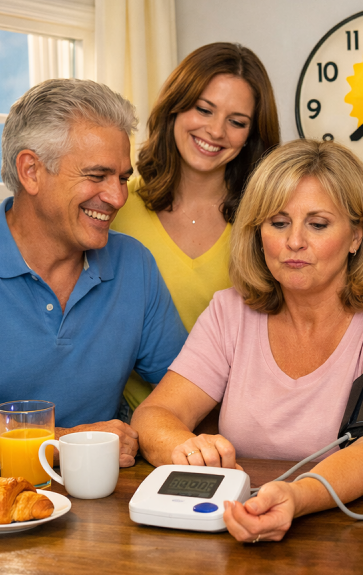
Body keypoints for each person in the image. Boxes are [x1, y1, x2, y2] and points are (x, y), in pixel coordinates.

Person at [131, 139, 363, 543]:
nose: (294, 241)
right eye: (278, 223)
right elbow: (154, 416)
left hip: (351, 537)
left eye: (318, 224)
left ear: (356, 237)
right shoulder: (230, 310)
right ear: (258, 234)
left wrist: (297, 496)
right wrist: (188, 450)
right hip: (232, 524)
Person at [0, 78, 187, 468]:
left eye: (122, 178)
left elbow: (188, 390)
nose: (117, 198)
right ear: (31, 171)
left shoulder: (134, 264)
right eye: (97, 176)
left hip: (104, 506)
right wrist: (65, 441)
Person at [111, 42, 280, 415]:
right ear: (174, 107)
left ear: (252, 135)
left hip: (239, 422)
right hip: (131, 422)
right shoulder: (116, 207)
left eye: (237, 121)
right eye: (204, 109)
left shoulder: (268, 222)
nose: (215, 131)